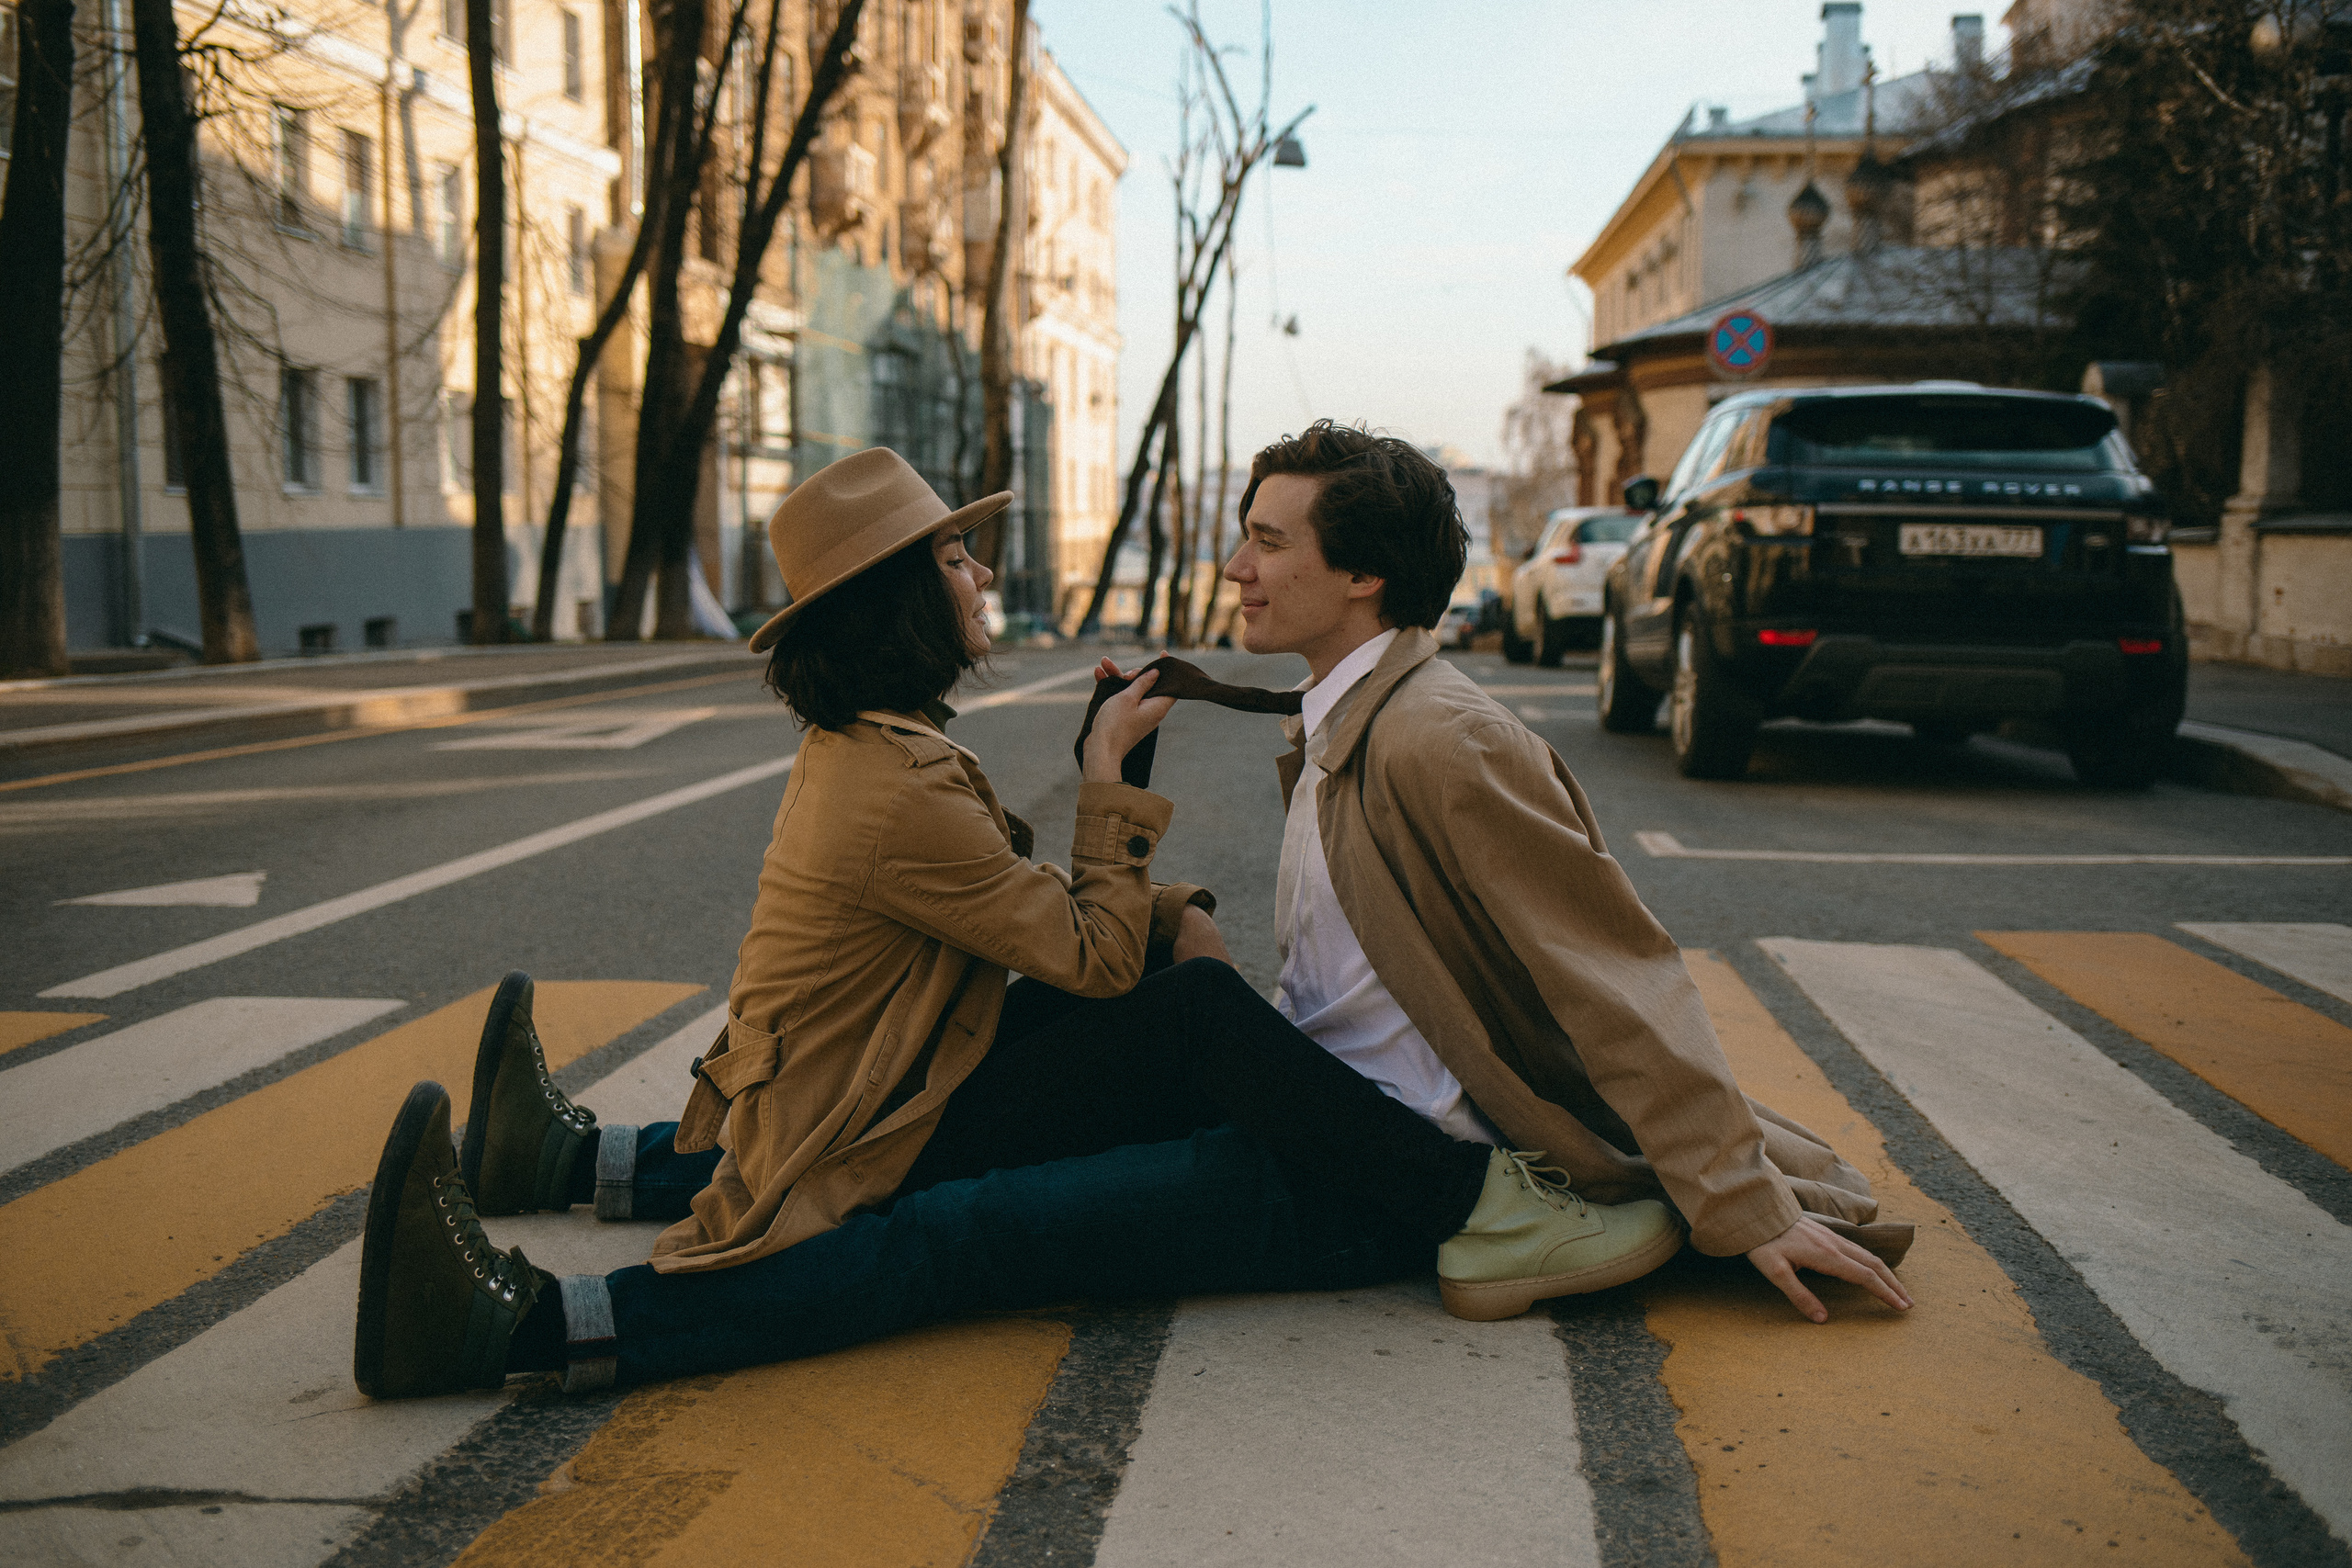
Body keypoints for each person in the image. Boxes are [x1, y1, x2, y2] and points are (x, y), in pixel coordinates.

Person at [354, 448, 1684, 1401]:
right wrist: (1116, 797)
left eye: (1267, 539)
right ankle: (524, 1325)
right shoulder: (898, 778)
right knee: (951, 1226)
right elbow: (1082, 943)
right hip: (862, 1096)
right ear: (896, 599)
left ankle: (561, 1160)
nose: (981, 567)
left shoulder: (886, 746)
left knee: (1165, 1024)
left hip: (887, 1068)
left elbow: (1049, 925)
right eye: (952, 554)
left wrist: (1160, 895)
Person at [1210, 421, 1913, 1325]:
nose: (1237, 567)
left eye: (1267, 543)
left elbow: (1611, 975)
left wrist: (1739, 1202)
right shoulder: (1347, 722)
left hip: (1395, 1160)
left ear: (1362, 574)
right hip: (1317, 1111)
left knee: (1004, 1220)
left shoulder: (1445, 743)